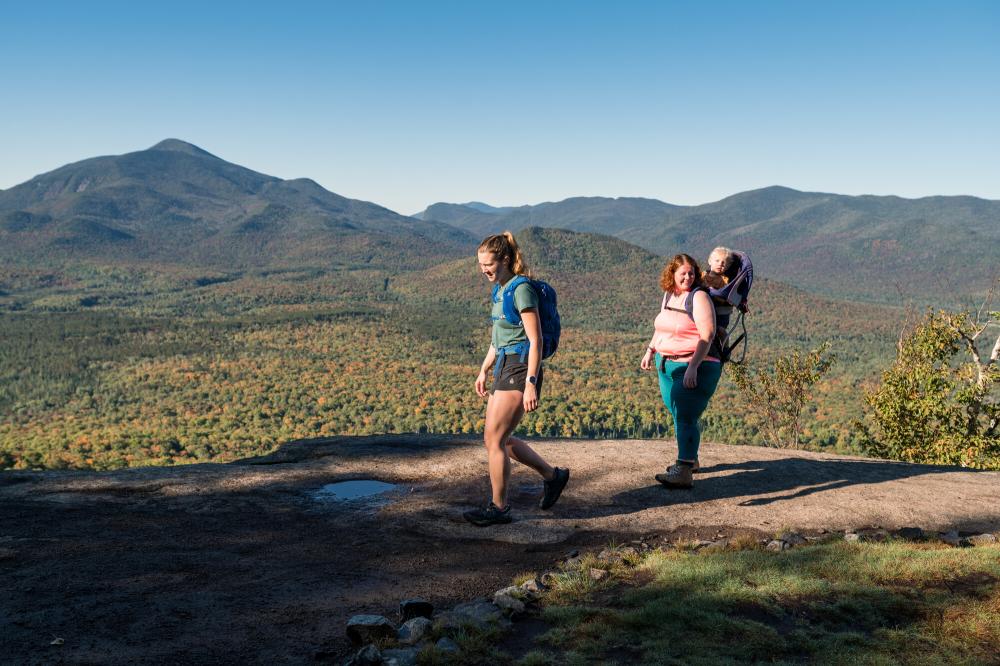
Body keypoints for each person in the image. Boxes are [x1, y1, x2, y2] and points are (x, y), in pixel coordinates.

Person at [463, 232, 570, 526]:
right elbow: (498, 339)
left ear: (506, 260)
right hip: (505, 365)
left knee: (494, 439)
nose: (484, 269)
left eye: (489, 264)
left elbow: (534, 340)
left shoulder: (521, 290)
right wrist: (484, 369)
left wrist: (531, 383)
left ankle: (499, 508)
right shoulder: (500, 289)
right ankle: (553, 476)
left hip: (521, 367)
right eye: (481, 264)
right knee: (501, 439)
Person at [640, 253, 723, 488]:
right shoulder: (670, 295)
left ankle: (684, 469)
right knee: (677, 412)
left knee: (685, 415)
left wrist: (693, 367)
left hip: (695, 365)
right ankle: (691, 458)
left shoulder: (699, 298)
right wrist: (650, 350)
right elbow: (662, 328)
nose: (687, 277)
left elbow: (707, 334)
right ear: (672, 275)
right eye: (682, 274)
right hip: (667, 363)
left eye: (691, 273)